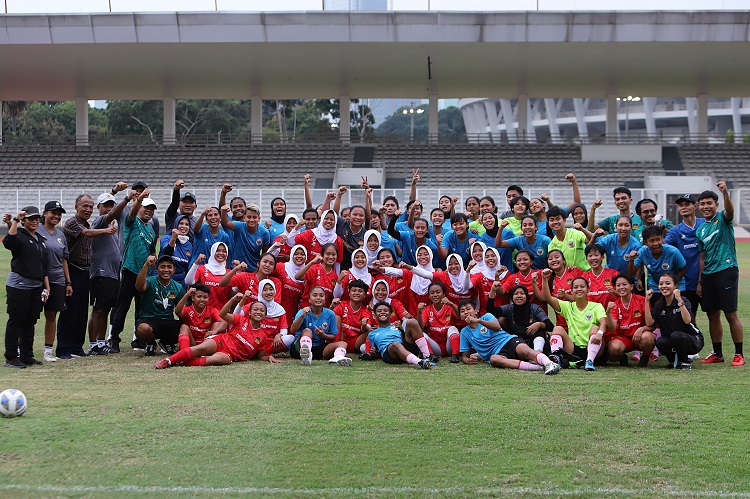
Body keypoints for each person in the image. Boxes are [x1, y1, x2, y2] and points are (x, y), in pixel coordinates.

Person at [58, 194, 117, 359]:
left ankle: (77, 347)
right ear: (76, 206)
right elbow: (86, 233)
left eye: (91, 206)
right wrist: (106, 230)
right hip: (72, 271)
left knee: (81, 312)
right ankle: (63, 349)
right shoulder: (72, 223)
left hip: (85, 272)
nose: (88, 209)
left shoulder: (87, 223)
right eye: (85, 206)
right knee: (69, 311)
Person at [155, 295, 280, 368]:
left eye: (262, 311)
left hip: (231, 355)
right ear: (250, 312)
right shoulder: (241, 319)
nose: (258, 312)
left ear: (265, 316)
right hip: (222, 341)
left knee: (216, 360)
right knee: (201, 348)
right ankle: (168, 361)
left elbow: (260, 356)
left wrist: (268, 358)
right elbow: (223, 314)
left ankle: (184, 362)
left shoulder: (262, 336)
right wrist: (232, 300)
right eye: (256, 309)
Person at [696, 182, 745, 366]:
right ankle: (717, 353)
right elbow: (702, 256)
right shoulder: (700, 229)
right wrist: (700, 281)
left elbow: (730, 211)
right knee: (712, 314)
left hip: (726, 270)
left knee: (730, 314)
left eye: (709, 203)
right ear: (698, 207)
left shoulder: (723, 220)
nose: (706, 206)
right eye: (702, 204)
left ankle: (739, 354)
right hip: (708, 274)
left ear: (716, 205)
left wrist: (725, 193)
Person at [108, 189, 158, 353]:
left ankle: (139, 339)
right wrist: (139, 200)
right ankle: (114, 339)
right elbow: (132, 211)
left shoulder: (151, 230)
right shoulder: (132, 222)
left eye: (151, 209)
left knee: (141, 308)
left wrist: (153, 261)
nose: (149, 211)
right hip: (130, 269)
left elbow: (152, 251)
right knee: (122, 306)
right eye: (146, 208)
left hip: (144, 274)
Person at [457, 300, 560, 374]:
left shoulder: (487, 317)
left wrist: (478, 321)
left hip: (508, 341)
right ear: (460, 316)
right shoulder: (465, 332)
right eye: (462, 311)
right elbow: (465, 355)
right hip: (498, 353)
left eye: (468, 309)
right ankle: (538, 368)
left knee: (525, 351)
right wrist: (467, 360)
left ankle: (549, 363)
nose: (466, 312)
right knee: (494, 360)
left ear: (475, 311)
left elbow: (497, 327)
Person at [3, 206, 49, 368]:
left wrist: (46, 287)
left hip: (36, 286)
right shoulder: (19, 235)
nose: (35, 221)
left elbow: (44, 266)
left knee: (30, 322)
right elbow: (8, 243)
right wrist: (14, 221)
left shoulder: (39, 239)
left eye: (37, 218)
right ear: (24, 221)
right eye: (31, 218)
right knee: (16, 320)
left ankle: (26, 355)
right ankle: (10, 357)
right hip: (19, 285)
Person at [88, 192, 131, 355]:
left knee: (105, 309)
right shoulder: (100, 222)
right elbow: (113, 214)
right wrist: (126, 198)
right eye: (105, 205)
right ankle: (93, 344)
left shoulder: (110, 228)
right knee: (98, 309)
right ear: (98, 207)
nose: (108, 209)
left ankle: (100, 342)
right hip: (101, 273)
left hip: (111, 274)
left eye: (110, 205)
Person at [539, 269, 607, 372]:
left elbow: (604, 322)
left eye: (582, 287)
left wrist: (600, 333)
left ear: (588, 290)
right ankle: (556, 357)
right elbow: (548, 298)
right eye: (575, 287)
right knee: (557, 329)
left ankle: (589, 361)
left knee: (595, 328)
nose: (579, 289)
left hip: (595, 348)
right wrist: (544, 278)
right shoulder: (568, 306)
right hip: (574, 349)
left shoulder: (596, 306)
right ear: (571, 291)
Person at [645, 274, 704, 370]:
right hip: (673, 340)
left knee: (676, 335)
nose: (664, 286)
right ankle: (674, 361)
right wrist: (647, 301)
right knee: (661, 341)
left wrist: (679, 300)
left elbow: (687, 320)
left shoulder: (683, 301)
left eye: (668, 283)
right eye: (661, 284)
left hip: (693, 340)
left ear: (675, 286)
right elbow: (649, 323)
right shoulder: (659, 304)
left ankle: (685, 361)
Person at [39, 201, 73, 361]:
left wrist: (68, 282)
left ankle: (48, 351)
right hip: (38, 280)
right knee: (29, 315)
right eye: (53, 212)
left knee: (52, 315)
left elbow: (64, 260)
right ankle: (21, 348)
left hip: (57, 280)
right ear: (45, 213)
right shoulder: (36, 230)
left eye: (59, 214)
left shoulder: (60, 235)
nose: (56, 216)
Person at [134, 254, 186, 356]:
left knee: (187, 325)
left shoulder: (178, 287)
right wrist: (146, 265)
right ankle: (150, 343)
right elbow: (139, 287)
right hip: (149, 319)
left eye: (169, 267)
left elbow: (182, 311)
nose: (166, 270)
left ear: (174, 270)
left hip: (167, 320)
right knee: (142, 329)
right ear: (157, 269)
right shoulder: (150, 281)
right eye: (162, 267)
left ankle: (167, 342)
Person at [360, 302, 435, 369]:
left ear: (391, 314)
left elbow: (406, 339)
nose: (382, 312)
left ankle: (427, 356)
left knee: (412, 322)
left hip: (404, 347)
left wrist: (401, 330)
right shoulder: (372, 333)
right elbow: (373, 352)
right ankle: (420, 362)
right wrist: (372, 353)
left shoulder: (397, 326)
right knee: (396, 344)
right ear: (375, 315)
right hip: (390, 353)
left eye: (385, 311)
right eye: (379, 311)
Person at [665, 194, 705, 318]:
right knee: (690, 316)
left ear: (695, 206)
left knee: (713, 315)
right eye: (681, 205)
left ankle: (716, 339)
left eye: (687, 204)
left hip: (707, 279)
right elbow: (662, 246)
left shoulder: (705, 224)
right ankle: (695, 338)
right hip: (687, 282)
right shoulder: (675, 231)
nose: (683, 207)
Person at [289, 286, 348, 366]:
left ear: (325, 299)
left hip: (319, 347)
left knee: (343, 344)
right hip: (299, 348)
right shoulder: (303, 312)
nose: (318, 298)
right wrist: (302, 316)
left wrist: (322, 335)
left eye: (321, 295)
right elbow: (292, 330)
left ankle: (338, 358)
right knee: (307, 331)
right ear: (309, 299)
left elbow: (333, 336)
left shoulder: (330, 314)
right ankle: (306, 355)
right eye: (315, 295)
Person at [605, 274, 655, 367]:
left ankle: (645, 357)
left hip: (640, 336)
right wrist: (608, 313)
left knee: (648, 337)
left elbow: (650, 324)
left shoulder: (642, 300)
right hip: (624, 338)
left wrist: (641, 329)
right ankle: (622, 358)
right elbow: (612, 328)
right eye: (618, 285)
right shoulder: (615, 305)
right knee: (613, 348)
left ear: (631, 286)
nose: (621, 287)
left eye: (624, 284)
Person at [489, 285, 554, 353]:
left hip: (534, 341)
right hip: (517, 342)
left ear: (526, 296)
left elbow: (550, 326)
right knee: (501, 321)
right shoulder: (509, 308)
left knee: (539, 331)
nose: (519, 296)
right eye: (516, 293)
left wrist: (539, 324)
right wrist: (493, 290)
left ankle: (537, 354)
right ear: (512, 297)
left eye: (522, 293)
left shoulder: (535, 308)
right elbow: (491, 309)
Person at [628, 226, 686, 294]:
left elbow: (683, 270)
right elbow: (631, 273)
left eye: (658, 239)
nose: (655, 244)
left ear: (662, 239)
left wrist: (672, 283)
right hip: (656, 287)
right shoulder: (642, 252)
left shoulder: (673, 251)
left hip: (676, 286)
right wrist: (631, 260)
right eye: (651, 241)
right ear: (645, 242)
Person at [417, 282, 461, 362]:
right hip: (436, 348)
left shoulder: (449, 306)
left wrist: (451, 303)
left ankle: (455, 355)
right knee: (421, 334)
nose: (435, 295)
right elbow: (421, 327)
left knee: (453, 328)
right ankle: (430, 355)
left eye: (438, 292)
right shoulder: (427, 310)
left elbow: (460, 316)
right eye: (432, 293)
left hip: (449, 346)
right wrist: (419, 312)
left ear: (443, 294)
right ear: (429, 296)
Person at [220, 202, 270, 273]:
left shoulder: (264, 233)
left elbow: (264, 254)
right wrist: (223, 211)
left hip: (254, 270)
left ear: (259, 219)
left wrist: (258, 271)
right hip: (236, 268)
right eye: (249, 217)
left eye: (254, 217)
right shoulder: (239, 226)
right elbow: (226, 222)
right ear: (244, 218)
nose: (251, 220)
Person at [185, 242, 231, 312]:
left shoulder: (229, 273)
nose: (221, 253)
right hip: (203, 312)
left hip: (221, 313)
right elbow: (188, 281)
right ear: (212, 252)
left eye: (224, 251)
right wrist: (196, 263)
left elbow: (235, 290)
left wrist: (238, 271)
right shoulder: (202, 269)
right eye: (218, 250)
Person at [333, 279, 373, 355]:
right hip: (340, 339)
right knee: (335, 317)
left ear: (365, 295)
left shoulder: (366, 310)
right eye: (354, 290)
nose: (357, 293)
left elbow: (367, 327)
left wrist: (364, 326)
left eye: (360, 291)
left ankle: (367, 351)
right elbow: (331, 319)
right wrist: (331, 307)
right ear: (349, 293)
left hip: (355, 342)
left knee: (370, 331)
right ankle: (336, 346)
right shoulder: (342, 305)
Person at [273, 244, 307, 325]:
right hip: (275, 310)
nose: (299, 256)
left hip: (291, 314)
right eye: (296, 254)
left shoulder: (307, 275)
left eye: (302, 254)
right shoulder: (281, 267)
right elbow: (265, 271)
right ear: (291, 255)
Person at [547, 206, 590, 271]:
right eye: (552, 220)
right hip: (568, 277)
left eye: (558, 219)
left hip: (585, 273)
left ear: (564, 221)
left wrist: (582, 229)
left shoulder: (575, 233)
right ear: (549, 224)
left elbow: (590, 240)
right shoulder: (551, 245)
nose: (555, 222)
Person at [158, 215, 193, 288]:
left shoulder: (189, 245)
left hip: (180, 284)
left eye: (187, 224)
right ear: (176, 225)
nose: (184, 226)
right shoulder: (167, 238)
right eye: (181, 223)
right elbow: (167, 254)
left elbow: (187, 268)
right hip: (163, 280)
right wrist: (174, 238)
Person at [582, 244, 619, 308]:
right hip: (592, 314)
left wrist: (614, 292)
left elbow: (624, 294)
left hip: (612, 313)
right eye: (590, 256)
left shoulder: (613, 274)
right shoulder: (584, 278)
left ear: (602, 257)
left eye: (596, 255)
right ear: (586, 259)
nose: (593, 258)